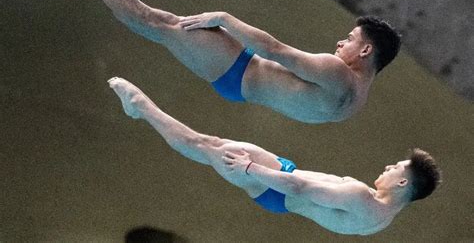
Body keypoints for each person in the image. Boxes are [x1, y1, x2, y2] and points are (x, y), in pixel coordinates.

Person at [53, 0, 401, 124]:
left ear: (366, 51)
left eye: (350, 39)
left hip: (239, 66)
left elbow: (274, 50)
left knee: (158, 23)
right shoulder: (356, 102)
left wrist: (224, 18)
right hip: (240, 84)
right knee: (161, 28)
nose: (341, 42)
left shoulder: (338, 72)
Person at [107, 77, 440, 236]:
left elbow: (300, 190)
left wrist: (251, 168)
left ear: (401, 181)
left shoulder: (362, 198)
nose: (387, 166)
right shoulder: (382, 219)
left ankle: (140, 107)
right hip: (280, 182)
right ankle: (140, 109)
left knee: (203, 145)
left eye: (395, 166)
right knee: (208, 145)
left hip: (276, 185)